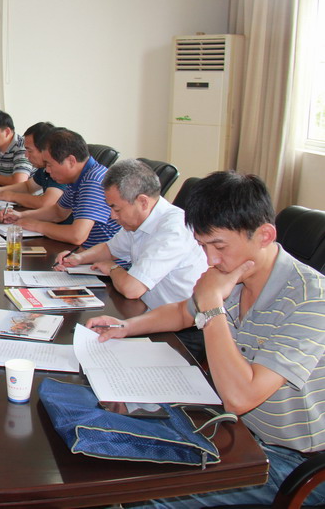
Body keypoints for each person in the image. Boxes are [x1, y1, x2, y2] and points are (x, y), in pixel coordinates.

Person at [87, 171, 325, 507]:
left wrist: (212, 305)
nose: (210, 260)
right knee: (108, 446)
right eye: (202, 246)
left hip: (292, 461)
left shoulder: (311, 300)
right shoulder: (236, 272)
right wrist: (127, 326)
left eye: (219, 246)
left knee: (144, 498)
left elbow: (240, 398)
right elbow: (183, 312)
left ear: (264, 235)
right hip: (233, 429)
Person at [55, 159, 207, 310]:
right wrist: (79, 258)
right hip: (146, 310)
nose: (112, 216)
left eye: (116, 209)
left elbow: (131, 289)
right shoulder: (138, 221)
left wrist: (113, 268)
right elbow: (110, 249)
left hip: (176, 321)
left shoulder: (173, 230)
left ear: (143, 202)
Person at [2, 128, 120, 248]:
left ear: (71, 161)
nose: (47, 170)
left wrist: (37, 226)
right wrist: (22, 215)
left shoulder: (93, 181)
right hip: (86, 251)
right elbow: (58, 212)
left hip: (102, 255)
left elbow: (77, 236)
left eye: (49, 164)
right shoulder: (78, 177)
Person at [0, 121, 68, 211]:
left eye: (30, 151)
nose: (26, 155)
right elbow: (28, 186)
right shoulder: (43, 169)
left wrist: (11, 196)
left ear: (45, 149)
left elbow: (45, 203)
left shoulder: (58, 169)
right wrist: (0, 190)